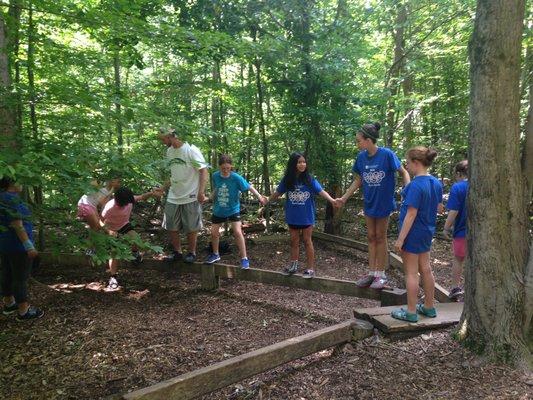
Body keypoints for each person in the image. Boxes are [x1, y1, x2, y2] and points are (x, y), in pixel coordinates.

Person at [337, 122, 410, 289]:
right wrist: (344, 198)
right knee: (371, 236)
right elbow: (358, 180)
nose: (357, 144)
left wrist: (408, 188)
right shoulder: (361, 158)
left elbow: (403, 172)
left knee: (380, 236)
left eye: (358, 140)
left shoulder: (387, 155)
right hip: (369, 202)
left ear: (368, 140)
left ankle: (381, 274)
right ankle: (372, 273)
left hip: (384, 202)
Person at [391, 146, 443, 322]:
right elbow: (439, 207)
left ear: (416, 162)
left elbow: (411, 214)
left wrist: (400, 239)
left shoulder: (415, 185)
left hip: (412, 234)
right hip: (427, 231)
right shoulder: (436, 183)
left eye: (408, 162)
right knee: (426, 269)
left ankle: (411, 312)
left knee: (412, 273)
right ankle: (429, 307)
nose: (406, 166)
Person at [269, 152, 337, 278]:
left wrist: (332, 201)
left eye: (304, 162)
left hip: (306, 216)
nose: (302, 164)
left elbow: (321, 191)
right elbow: (277, 193)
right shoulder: (288, 180)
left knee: (307, 241)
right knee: (294, 241)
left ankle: (310, 269)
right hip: (292, 215)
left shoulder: (309, 179)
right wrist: (267, 200)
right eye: (299, 162)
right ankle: (293, 266)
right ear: (293, 164)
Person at [204, 154, 267, 269]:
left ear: (231, 167)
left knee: (237, 232)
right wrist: (209, 198)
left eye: (228, 168)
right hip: (219, 209)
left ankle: (244, 259)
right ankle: (216, 254)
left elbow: (249, 187)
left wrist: (259, 197)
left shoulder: (236, 177)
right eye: (223, 168)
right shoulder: (215, 176)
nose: (226, 170)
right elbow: (217, 188)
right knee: (214, 233)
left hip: (233, 209)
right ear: (219, 167)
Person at [159, 128, 208, 263]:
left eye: (163, 139)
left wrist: (201, 192)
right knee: (171, 224)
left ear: (171, 136)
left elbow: (204, 171)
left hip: (191, 194)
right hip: (174, 194)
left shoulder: (191, 150)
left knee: (191, 226)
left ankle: (191, 253)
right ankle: (177, 252)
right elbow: (174, 174)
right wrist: (163, 188)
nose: (162, 142)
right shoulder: (169, 152)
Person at [100, 187, 163, 290]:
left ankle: (135, 253)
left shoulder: (129, 199)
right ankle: (113, 277)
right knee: (115, 253)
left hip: (124, 225)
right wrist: (108, 231)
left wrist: (152, 193)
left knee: (136, 239)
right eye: (124, 203)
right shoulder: (109, 207)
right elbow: (99, 221)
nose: (126, 205)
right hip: (111, 229)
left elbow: (142, 197)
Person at [0, 176, 44, 321]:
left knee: (7, 273)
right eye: (20, 181)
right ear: (11, 182)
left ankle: (9, 303)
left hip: (5, 244)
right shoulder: (12, 199)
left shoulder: (2, 197)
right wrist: (29, 246)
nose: (22, 184)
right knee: (20, 278)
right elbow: (17, 225)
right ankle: (24, 311)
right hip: (18, 246)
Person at [442, 160, 468, 300]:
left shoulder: (458, 187)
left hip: (461, 231)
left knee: (459, 259)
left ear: (459, 173)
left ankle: (455, 287)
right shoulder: (479, 185)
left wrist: (446, 228)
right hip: (479, 233)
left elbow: (454, 210)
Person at [77, 175, 121, 255]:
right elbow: (88, 185)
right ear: (112, 180)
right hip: (85, 203)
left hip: (93, 207)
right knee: (96, 226)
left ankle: (91, 248)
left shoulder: (110, 190)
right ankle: (89, 249)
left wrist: (111, 191)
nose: (119, 184)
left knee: (96, 227)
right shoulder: (101, 183)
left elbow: (102, 204)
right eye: (118, 181)